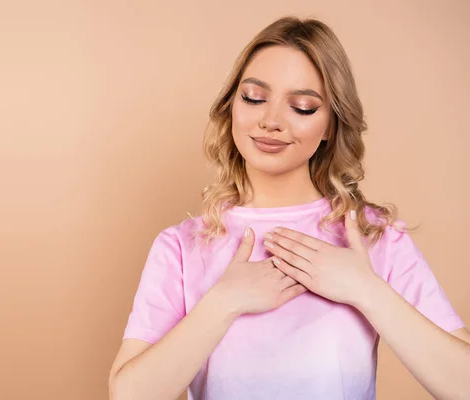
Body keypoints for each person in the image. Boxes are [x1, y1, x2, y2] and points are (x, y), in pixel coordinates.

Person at [108, 16, 470, 400]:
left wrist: (367, 290)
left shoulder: (371, 237)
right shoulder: (181, 247)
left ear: (331, 124)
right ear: (231, 105)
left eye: (302, 107)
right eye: (254, 98)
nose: (271, 121)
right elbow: (129, 395)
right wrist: (222, 303)